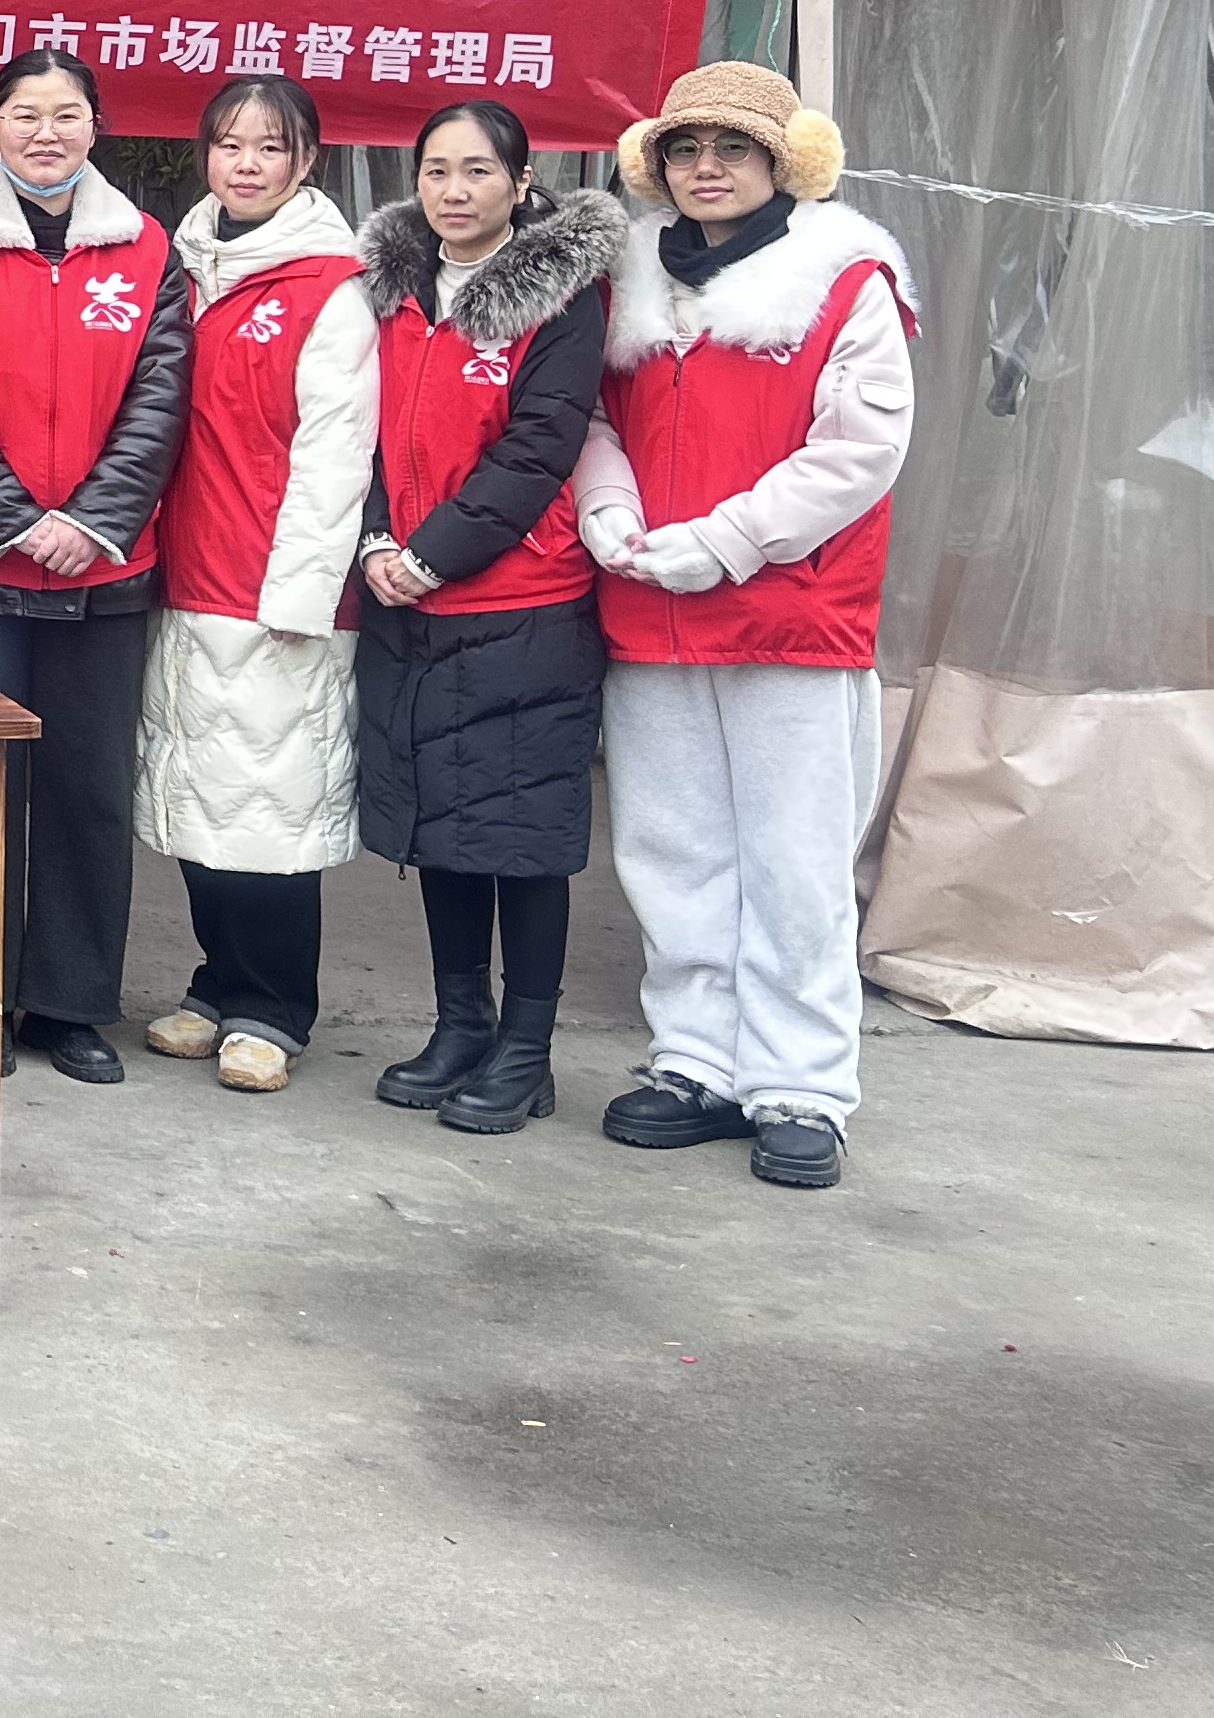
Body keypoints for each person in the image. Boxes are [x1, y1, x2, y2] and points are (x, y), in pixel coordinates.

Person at [574, 63, 916, 1192]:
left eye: (732, 148)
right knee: (672, 851)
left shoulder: (844, 278)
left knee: (795, 860)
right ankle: (696, 1062)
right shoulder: (626, 280)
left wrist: (727, 539)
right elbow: (590, 418)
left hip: (788, 612)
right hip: (649, 608)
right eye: (684, 149)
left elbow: (858, 451)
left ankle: (802, 1086)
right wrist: (608, 507)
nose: (705, 168)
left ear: (787, 161)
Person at [0, 44, 194, 1085]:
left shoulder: (148, 247)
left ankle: (70, 1004)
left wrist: (91, 521)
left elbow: (161, 394)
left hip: (103, 569)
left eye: (66, 115)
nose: (46, 133)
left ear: (96, 128)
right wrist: (14, 521)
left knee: (85, 795)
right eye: (25, 114)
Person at [348, 99, 627, 1137]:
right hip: (408, 598)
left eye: (477, 171)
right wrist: (378, 543)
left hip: (523, 606)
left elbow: (539, 447)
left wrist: (432, 554)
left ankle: (526, 1050)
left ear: (521, 182)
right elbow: (362, 437)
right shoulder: (394, 293)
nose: (453, 191)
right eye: (435, 171)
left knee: (522, 838)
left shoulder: (559, 296)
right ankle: (460, 1024)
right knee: (445, 829)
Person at [134, 75, 378, 1095]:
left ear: (307, 161)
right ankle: (216, 983)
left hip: (273, 584)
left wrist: (301, 595)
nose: (246, 164)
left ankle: (273, 1007)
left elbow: (337, 456)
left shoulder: (333, 286)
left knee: (273, 808)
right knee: (202, 799)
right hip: (182, 570)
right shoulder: (179, 265)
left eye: (270, 147)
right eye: (229, 144)